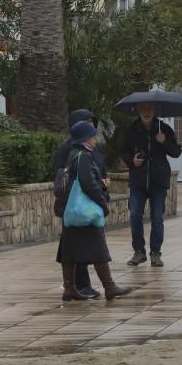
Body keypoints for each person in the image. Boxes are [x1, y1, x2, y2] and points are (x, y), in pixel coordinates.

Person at [56, 121, 132, 301]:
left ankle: (70, 288)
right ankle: (110, 287)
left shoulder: (73, 153)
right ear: (85, 138)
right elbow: (88, 184)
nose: (96, 139)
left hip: (72, 211)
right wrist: (103, 203)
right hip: (84, 212)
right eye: (93, 136)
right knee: (98, 247)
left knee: (69, 249)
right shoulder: (84, 155)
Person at [121, 102, 182, 267]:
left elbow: (176, 152)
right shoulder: (132, 129)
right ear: (138, 110)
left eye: (149, 108)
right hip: (138, 181)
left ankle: (155, 253)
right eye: (143, 108)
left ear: (154, 110)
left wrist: (164, 142)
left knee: (157, 218)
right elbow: (124, 151)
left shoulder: (165, 129)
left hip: (158, 181)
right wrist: (131, 161)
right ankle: (139, 252)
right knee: (134, 215)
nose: (146, 111)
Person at [54, 109, 105, 298]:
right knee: (81, 246)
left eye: (92, 123)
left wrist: (102, 179)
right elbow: (64, 178)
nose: (92, 127)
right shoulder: (72, 150)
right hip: (75, 206)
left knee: (74, 246)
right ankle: (82, 286)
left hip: (81, 206)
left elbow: (99, 167)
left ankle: (74, 287)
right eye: (87, 122)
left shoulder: (90, 148)